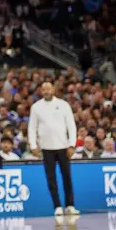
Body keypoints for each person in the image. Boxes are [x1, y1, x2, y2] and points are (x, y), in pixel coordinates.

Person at [29, 82, 79, 217]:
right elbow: (32, 128)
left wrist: (72, 145)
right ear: (41, 91)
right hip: (46, 148)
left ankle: (70, 205)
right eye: (43, 89)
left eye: (48, 88)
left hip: (63, 147)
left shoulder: (63, 105)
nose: (46, 91)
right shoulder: (36, 107)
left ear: (53, 90)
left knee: (67, 177)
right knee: (51, 179)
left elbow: (71, 126)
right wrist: (33, 145)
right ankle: (57, 206)